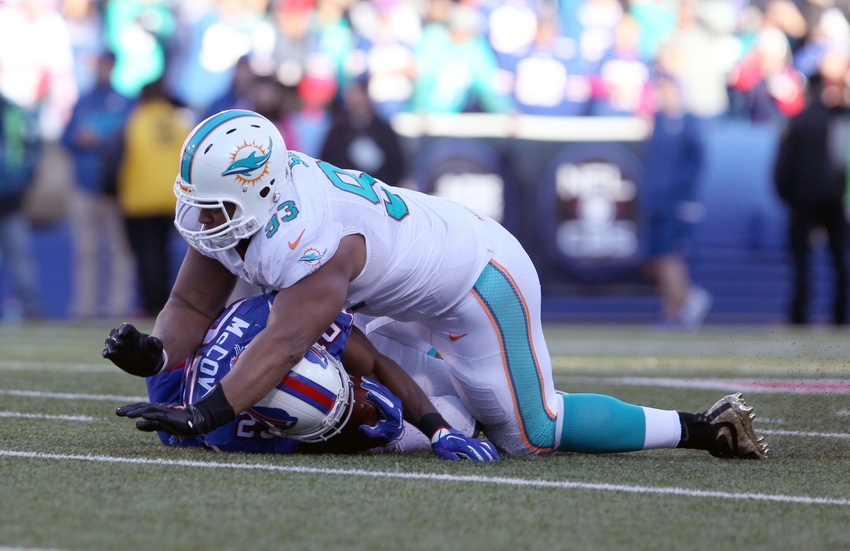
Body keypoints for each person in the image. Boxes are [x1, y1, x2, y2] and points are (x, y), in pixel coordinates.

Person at [103, 108, 767, 461]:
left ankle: (699, 427)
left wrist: (202, 413)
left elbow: (279, 342)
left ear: (260, 190)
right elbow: (192, 301)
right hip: (394, 289)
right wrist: (159, 355)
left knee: (532, 431)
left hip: (473, 278)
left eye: (214, 204)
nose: (199, 218)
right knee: (390, 399)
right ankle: (456, 408)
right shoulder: (253, 210)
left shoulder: (306, 234)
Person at [109, 292, 493, 460]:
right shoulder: (225, 437)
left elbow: (373, 363)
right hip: (286, 419)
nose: (361, 402)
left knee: (447, 382)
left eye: (351, 398)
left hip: (363, 339)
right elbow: (316, 433)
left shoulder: (278, 315)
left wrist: (155, 356)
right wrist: (362, 436)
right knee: (463, 417)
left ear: (322, 353)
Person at [774, 50, 850, 325]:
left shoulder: (799, 121)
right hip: (832, 199)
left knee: (801, 264)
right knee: (838, 263)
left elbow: (782, 167)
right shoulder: (839, 119)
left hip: (803, 201)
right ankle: (840, 315)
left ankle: (799, 314)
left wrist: (788, 197)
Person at [61, 51, 136, 319]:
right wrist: (80, 139)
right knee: (86, 251)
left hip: (117, 186)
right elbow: (66, 139)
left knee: (120, 251)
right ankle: (85, 307)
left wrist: (101, 139)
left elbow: (132, 139)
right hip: (84, 186)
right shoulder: (84, 101)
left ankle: (119, 307)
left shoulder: (126, 102)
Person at [114, 79, 193, 317]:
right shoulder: (180, 120)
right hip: (173, 197)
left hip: (139, 199)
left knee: (145, 256)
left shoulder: (135, 120)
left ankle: (151, 304)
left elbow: (116, 157)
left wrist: (110, 189)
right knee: (164, 253)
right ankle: (164, 301)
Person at [640, 71, 712, 328]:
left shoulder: (688, 124)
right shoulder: (657, 121)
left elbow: (697, 163)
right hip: (655, 200)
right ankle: (682, 301)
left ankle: (678, 306)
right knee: (655, 257)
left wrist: (685, 197)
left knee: (669, 255)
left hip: (675, 201)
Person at [0, 93, 42, 321]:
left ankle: (30, 308)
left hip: (10, 199)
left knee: (20, 258)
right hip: (11, 194)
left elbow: (33, 149)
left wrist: (21, 181)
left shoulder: (15, 112)